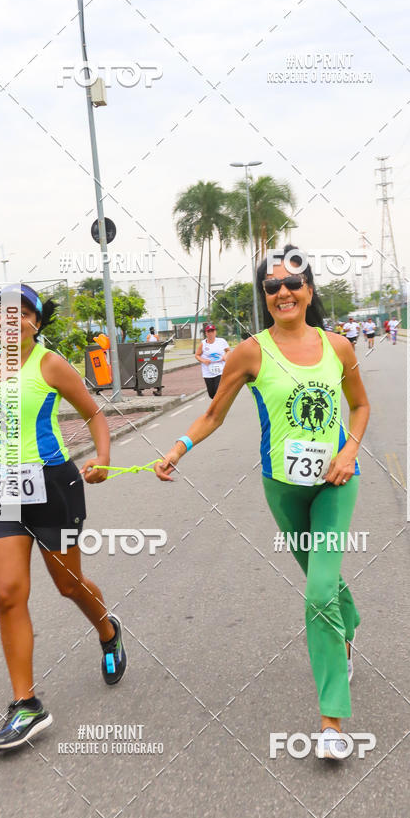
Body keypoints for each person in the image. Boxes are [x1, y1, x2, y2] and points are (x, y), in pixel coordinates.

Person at [156, 247, 370, 760]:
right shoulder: (250, 352)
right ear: (265, 298)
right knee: (321, 577)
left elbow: (360, 405)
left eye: (293, 283)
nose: (283, 292)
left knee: (318, 593)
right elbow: (214, 414)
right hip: (283, 488)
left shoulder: (337, 346)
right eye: (271, 286)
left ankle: (332, 724)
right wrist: (178, 448)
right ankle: (350, 625)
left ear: (309, 291)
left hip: (337, 481)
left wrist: (349, 448)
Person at [0, 283, 126, 753]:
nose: (9, 321)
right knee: (8, 594)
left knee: (68, 585)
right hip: (2, 488)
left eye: (20, 313)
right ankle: (26, 705)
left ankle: (108, 631)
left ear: (36, 322)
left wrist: (102, 458)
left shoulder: (50, 364)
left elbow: (95, 415)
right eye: (0, 314)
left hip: (53, 487)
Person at [195, 324, 230, 399]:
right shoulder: (203, 344)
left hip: (220, 370)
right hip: (208, 372)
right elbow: (197, 355)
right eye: (209, 331)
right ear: (206, 333)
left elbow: (228, 351)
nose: (211, 333)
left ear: (215, 332)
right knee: (211, 394)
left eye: (212, 331)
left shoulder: (221, 341)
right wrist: (204, 360)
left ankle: (219, 407)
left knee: (218, 391)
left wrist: (225, 356)